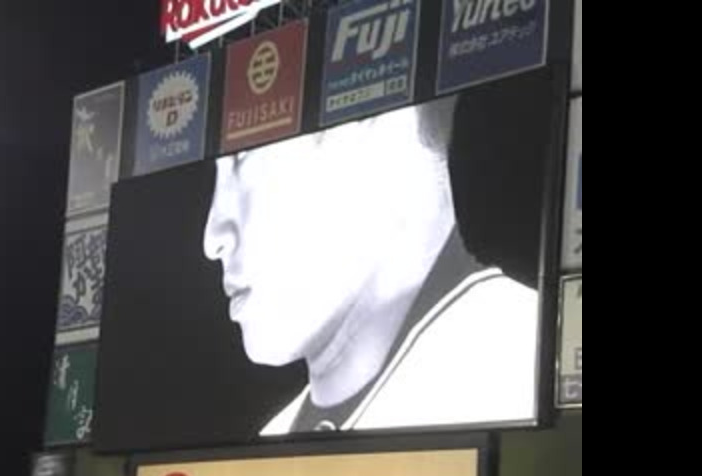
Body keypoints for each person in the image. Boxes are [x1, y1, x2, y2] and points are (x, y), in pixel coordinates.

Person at [202, 97, 539, 435]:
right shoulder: (275, 437)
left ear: (390, 123)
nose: (213, 239)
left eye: (242, 157)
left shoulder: (518, 363)